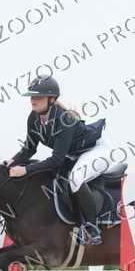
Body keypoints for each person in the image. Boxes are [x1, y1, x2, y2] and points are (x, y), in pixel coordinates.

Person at [7, 75, 110, 245]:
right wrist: (10, 162)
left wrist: (24, 170)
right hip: (73, 154)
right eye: (32, 96)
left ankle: (92, 228)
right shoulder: (33, 118)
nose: (33, 100)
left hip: (95, 150)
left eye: (38, 97)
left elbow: (56, 160)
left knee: (75, 178)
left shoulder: (64, 119)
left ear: (52, 99)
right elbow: (29, 149)